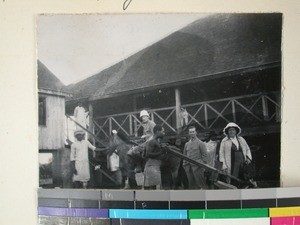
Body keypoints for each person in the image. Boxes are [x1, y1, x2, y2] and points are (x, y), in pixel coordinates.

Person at [143, 124, 166, 190]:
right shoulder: (152, 141)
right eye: (162, 131)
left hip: (153, 166)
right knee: (153, 190)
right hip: (152, 167)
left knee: (154, 189)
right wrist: (161, 152)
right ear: (157, 131)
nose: (163, 133)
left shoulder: (154, 140)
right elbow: (148, 154)